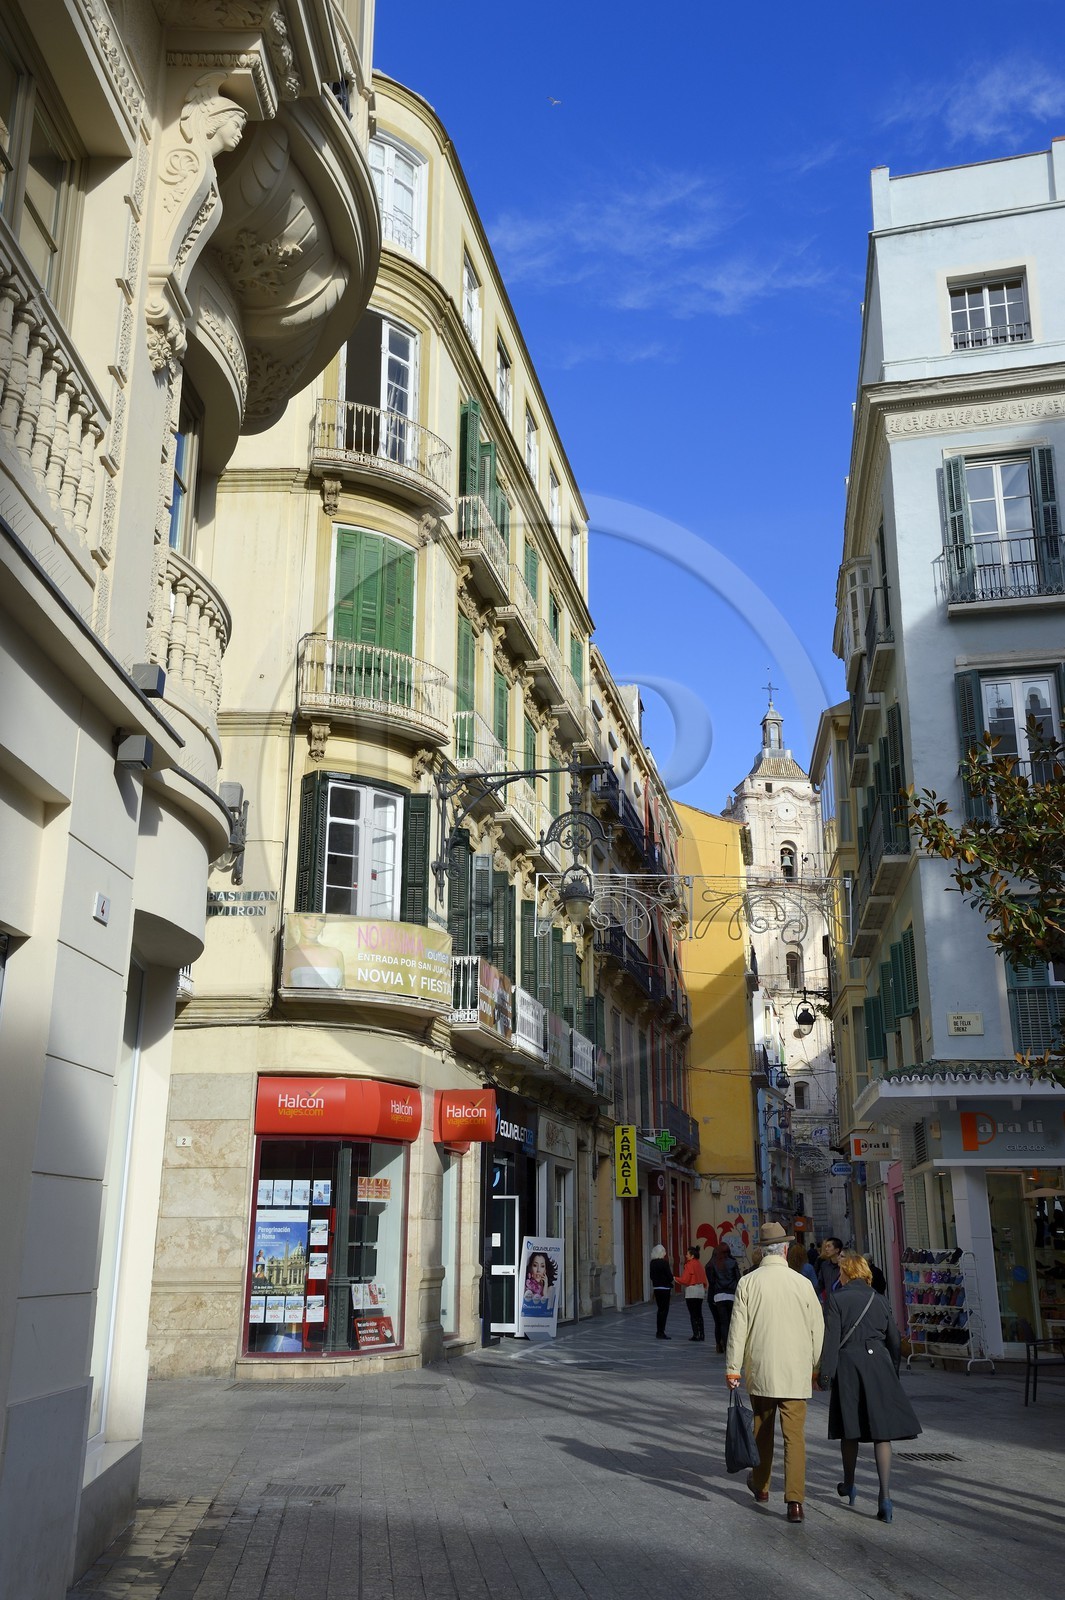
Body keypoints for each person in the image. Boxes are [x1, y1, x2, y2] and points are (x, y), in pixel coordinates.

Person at [725, 1220, 824, 1523]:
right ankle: (795, 1502)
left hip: (762, 1370)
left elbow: (737, 1330)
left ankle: (762, 1486)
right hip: (795, 1371)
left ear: (762, 1250)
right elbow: (817, 1329)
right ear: (784, 1249)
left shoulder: (749, 1282)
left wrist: (732, 1368)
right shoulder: (802, 1283)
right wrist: (815, 1366)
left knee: (762, 1430)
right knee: (795, 1438)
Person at [818, 1250, 921, 1524]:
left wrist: (825, 1377)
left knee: (849, 1429)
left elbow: (831, 1342)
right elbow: (895, 1340)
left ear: (848, 1272)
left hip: (849, 1365)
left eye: (841, 1270)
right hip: (879, 1365)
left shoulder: (837, 1300)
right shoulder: (880, 1299)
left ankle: (849, 1484)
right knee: (881, 1432)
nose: (838, 1274)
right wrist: (893, 1371)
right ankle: (885, 1496)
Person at [282, 914, 346, 988]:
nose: (313, 925)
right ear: (297, 919)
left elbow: (342, 990)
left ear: (324, 924)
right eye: (307, 917)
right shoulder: (289, 955)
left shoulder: (336, 955)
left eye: (320, 919)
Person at [706, 1243, 741, 1353]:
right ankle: (732, 1344)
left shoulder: (715, 1264)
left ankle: (725, 1345)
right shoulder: (732, 1262)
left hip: (719, 1295)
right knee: (732, 1322)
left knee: (722, 1323)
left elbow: (711, 1281)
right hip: (731, 1294)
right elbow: (738, 1278)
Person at [676, 1245, 708, 1341]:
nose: (686, 1255)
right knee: (699, 1314)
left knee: (693, 1314)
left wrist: (675, 1278)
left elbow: (685, 1280)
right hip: (700, 1290)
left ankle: (696, 1334)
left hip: (691, 1291)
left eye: (687, 1254)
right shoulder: (699, 1264)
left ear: (692, 1255)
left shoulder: (689, 1265)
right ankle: (702, 1334)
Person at [649, 1244, 674, 1339]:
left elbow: (651, 1276)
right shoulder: (664, 1263)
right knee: (664, 1310)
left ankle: (659, 1330)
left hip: (656, 1288)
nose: (665, 1253)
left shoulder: (652, 1263)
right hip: (665, 1288)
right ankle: (661, 1331)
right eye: (664, 1251)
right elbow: (670, 1276)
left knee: (660, 1310)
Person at [817, 1236, 844, 1303]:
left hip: (842, 1302)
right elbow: (820, 1285)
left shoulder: (844, 1266)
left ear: (837, 1250)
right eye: (826, 1247)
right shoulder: (824, 1265)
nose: (826, 1249)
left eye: (829, 1246)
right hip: (829, 1303)